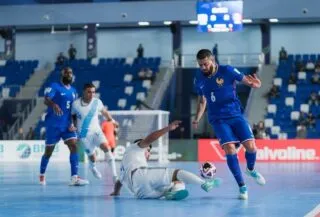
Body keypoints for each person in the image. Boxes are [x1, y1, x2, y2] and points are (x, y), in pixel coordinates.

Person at [193, 49, 266, 200]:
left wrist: (255, 85)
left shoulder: (227, 70)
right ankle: (242, 186)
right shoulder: (199, 78)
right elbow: (202, 101)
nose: (203, 68)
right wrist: (197, 118)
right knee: (230, 150)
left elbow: (246, 80)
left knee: (252, 147)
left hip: (236, 115)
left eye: (205, 64)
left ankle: (251, 169)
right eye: (200, 65)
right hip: (218, 119)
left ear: (212, 60)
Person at [110, 121, 222, 200]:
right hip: (141, 175)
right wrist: (168, 128)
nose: (148, 154)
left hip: (141, 194)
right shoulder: (137, 146)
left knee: (177, 182)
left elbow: (119, 183)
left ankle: (174, 192)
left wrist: (116, 192)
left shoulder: (126, 162)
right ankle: (205, 184)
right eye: (148, 150)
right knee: (178, 173)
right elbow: (151, 138)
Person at [39, 67, 89, 186]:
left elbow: (74, 109)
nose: (69, 75)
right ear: (62, 75)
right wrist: (54, 104)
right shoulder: (55, 86)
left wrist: (74, 124)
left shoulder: (74, 91)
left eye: (71, 73)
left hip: (67, 125)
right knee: (48, 152)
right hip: (53, 125)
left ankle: (74, 177)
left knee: (73, 146)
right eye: (67, 73)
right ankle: (42, 174)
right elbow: (46, 99)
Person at [71, 83, 119, 182]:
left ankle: (115, 176)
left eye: (93, 92)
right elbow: (72, 116)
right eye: (89, 92)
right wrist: (73, 126)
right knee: (92, 157)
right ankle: (92, 167)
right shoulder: (75, 104)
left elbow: (104, 113)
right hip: (84, 136)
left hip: (96, 132)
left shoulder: (97, 102)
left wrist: (113, 121)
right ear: (84, 92)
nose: (92, 94)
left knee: (107, 148)